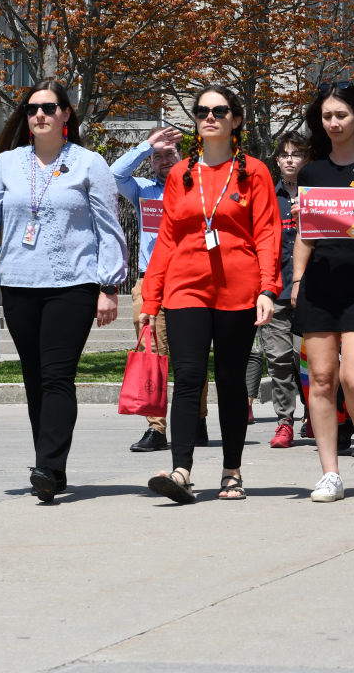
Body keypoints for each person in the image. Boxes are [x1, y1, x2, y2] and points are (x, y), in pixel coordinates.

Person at [0, 80, 128, 502]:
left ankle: (49, 466)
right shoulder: (7, 163)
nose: (40, 115)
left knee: (56, 376)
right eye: (32, 109)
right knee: (34, 379)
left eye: (49, 108)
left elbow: (108, 228)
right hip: (19, 284)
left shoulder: (89, 163)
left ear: (66, 114)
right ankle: (49, 468)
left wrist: (108, 285)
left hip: (73, 285)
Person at [141, 85, 281, 504]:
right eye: (202, 111)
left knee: (231, 380)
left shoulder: (254, 172)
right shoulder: (180, 173)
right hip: (185, 287)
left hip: (238, 289)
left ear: (235, 120)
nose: (210, 117)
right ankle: (181, 470)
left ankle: (231, 471)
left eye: (219, 111)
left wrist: (268, 288)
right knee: (187, 377)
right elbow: (166, 239)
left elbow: (267, 233)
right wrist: (151, 299)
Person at [290, 81, 354, 503]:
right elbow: (306, 237)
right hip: (319, 285)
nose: (333, 122)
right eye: (327, 116)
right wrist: (296, 280)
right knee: (322, 378)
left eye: (341, 115)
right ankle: (329, 473)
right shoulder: (311, 172)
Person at [111, 125, 211, 452]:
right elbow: (114, 175)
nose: (164, 160)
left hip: (189, 280)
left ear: (182, 155)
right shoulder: (142, 189)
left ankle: (196, 419)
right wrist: (146, 145)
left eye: (169, 154)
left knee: (190, 356)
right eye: (157, 156)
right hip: (148, 281)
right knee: (151, 356)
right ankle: (156, 429)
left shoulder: (197, 187)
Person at [267, 132, 309, 448]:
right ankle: (284, 422)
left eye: (296, 154)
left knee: (306, 359)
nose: (290, 159)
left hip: (311, 292)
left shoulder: (317, 194)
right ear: (278, 160)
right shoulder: (268, 195)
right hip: (275, 290)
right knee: (279, 359)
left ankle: (315, 415)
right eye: (285, 154)